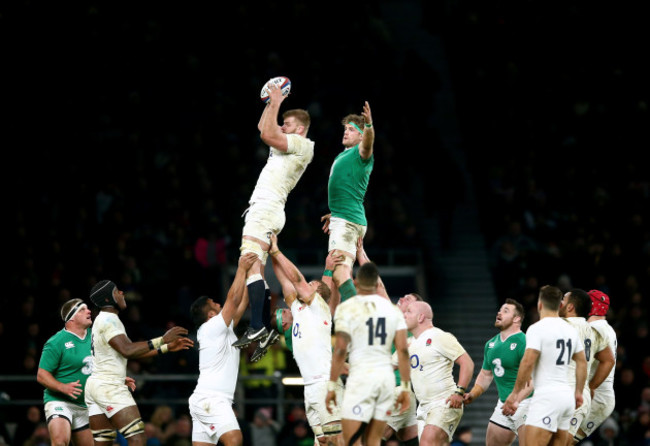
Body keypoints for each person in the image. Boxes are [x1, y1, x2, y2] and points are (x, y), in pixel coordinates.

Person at [233, 79, 315, 353]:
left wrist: (278, 100)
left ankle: (258, 325)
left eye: (287, 125)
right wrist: (270, 103)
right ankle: (263, 327)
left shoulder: (303, 145)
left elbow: (267, 134)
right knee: (255, 267)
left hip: (266, 208)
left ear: (300, 129)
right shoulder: (285, 144)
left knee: (250, 263)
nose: (282, 127)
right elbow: (263, 128)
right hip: (268, 210)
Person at [84, 280, 194, 445]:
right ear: (107, 299)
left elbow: (132, 352)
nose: (121, 293)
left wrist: (166, 347)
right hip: (109, 386)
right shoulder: (109, 321)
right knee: (137, 439)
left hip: (96, 386)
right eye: (116, 291)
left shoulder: (104, 320)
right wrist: (163, 339)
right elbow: (127, 349)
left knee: (103, 442)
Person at [266, 233, 343, 446]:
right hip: (310, 386)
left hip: (324, 383)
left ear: (316, 294)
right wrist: (271, 249)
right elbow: (284, 279)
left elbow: (297, 279)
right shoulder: (299, 309)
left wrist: (277, 252)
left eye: (311, 284)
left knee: (337, 439)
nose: (306, 285)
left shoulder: (319, 308)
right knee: (322, 441)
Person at [326, 262, 411, 446]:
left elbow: (340, 350)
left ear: (356, 282)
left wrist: (332, 385)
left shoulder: (347, 308)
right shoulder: (393, 310)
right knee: (373, 441)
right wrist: (405, 387)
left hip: (362, 378)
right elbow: (403, 351)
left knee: (350, 440)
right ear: (376, 284)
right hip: (385, 380)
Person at [502, 285, 587, 446]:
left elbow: (527, 362)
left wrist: (514, 394)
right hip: (567, 398)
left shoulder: (537, 329)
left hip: (547, 397)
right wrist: (579, 392)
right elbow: (582, 362)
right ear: (560, 305)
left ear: (539, 305)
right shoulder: (570, 330)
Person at [187, 252, 257, 446]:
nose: (220, 304)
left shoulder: (222, 330)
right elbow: (233, 300)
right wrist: (241, 268)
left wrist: (254, 274)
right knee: (234, 439)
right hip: (212, 399)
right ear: (210, 315)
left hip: (207, 400)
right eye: (215, 304)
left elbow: (241, 303)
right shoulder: (210, 328)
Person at [320, 102, 375, 303]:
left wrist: (369, 125)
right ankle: (346, 316)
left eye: (352, 130)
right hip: (344, 217)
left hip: (347, 222)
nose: (346, 132)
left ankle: (357, 311)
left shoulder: (362, 153)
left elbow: (368, 144)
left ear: (361, 136)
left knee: (338, 272)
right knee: (341, 275)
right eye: (345, 129)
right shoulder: (345, 155)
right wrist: (334, 213)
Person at [402, 301, 474, 446]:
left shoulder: (439, 336)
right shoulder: (411, 343)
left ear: (421, 317)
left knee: (427, 443)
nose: (404, 314)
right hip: (423, 408)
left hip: (444, 402)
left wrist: (459, 392)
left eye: (409, 311)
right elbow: (389, 365)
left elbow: (467, 363)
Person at [463, 298, 532, 446]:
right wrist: (473, 394)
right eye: (500, 310)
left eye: (505, 311)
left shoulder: (525, 341)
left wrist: (516, 400)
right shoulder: (491, 344)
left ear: (516, 318)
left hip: (528, 403)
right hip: (504, 404)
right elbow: (486, 375)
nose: (499, 313)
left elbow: (533, 381)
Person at [559, 289, 616, 446]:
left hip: (596, 397)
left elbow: (608, 361)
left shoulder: (592, 328)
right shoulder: (606, 328)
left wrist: (591, 386)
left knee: (563, 441)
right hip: (599, 397)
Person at [36, 298, 94, 446]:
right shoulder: (56, 341)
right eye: (82, 309)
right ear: (71, 318)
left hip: (85, 404)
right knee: (60, 442)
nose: (89, 311)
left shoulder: (96, 337)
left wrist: (117, 378)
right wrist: (63, 387)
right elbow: (42, 375)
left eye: (87, 308)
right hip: (60, 401)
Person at [383, 292, 422, 446]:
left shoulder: (408, 326)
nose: (400, 299)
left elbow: (379, 289)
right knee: (410, 437)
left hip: (395, 391)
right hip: (402, 391)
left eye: (408, 299)